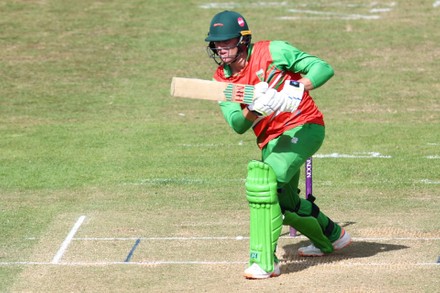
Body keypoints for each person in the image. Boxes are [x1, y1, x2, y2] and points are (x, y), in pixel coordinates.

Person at [204, 11, 352, 279]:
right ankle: (332, 236)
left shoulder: (274, 50)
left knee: (264, 181)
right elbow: (238, 124)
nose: (221, 49)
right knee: (286, 202)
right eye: (217, 44)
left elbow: (323, 68)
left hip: (304, 126)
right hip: (271, 140)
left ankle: (264, 262)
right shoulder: (222, 80)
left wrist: (298, 87)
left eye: (227, 42)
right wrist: (254, 108)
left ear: (243, 40)